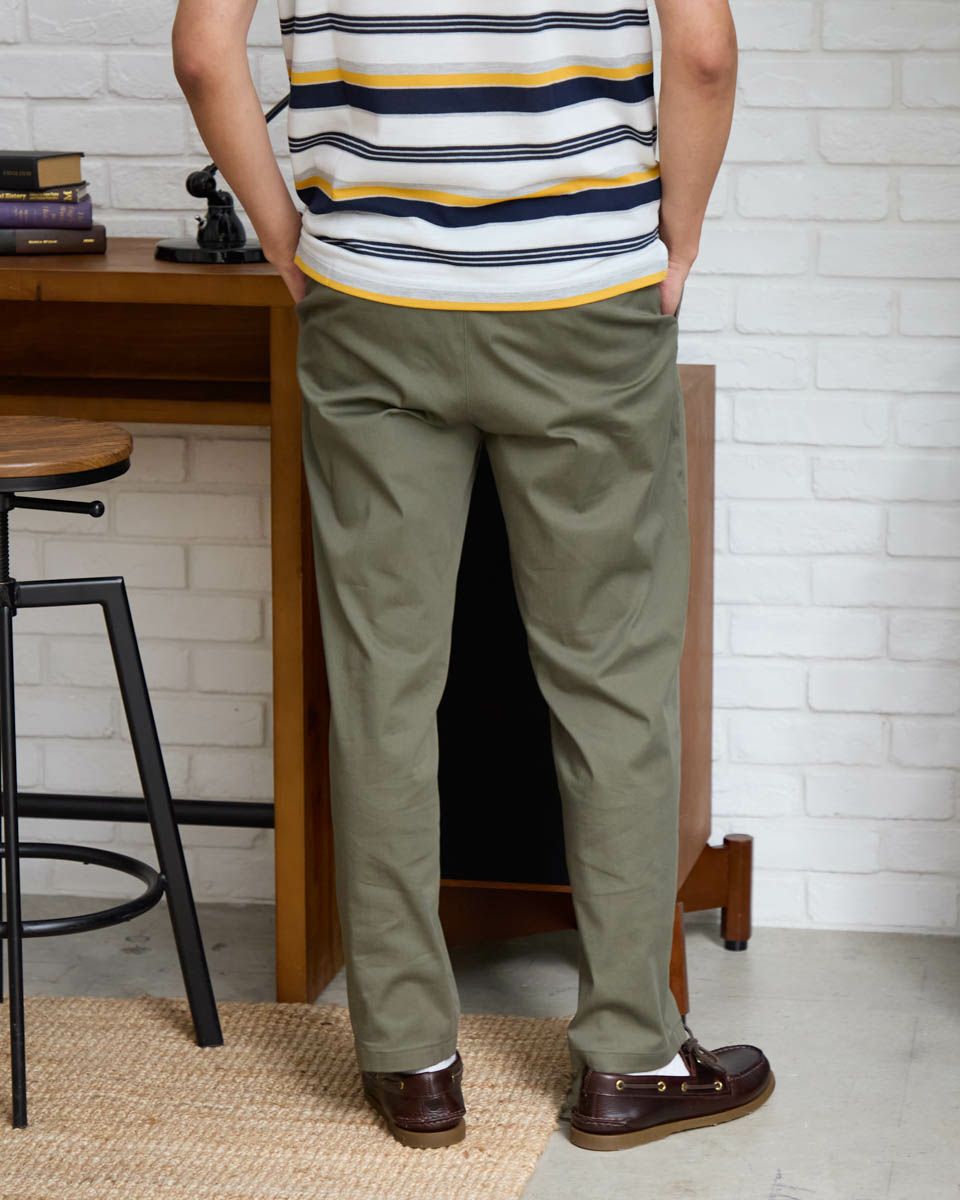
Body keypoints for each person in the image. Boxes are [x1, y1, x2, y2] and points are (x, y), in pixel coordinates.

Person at [172, 0, 775, 1152]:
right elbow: (703, 53)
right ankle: (630, 1058)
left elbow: (204, 53)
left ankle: (411, 1061)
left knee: (384, 689)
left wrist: (289, 241)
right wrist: (678, 239)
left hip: (371, 302)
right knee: (611, 683)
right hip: (584, 297)